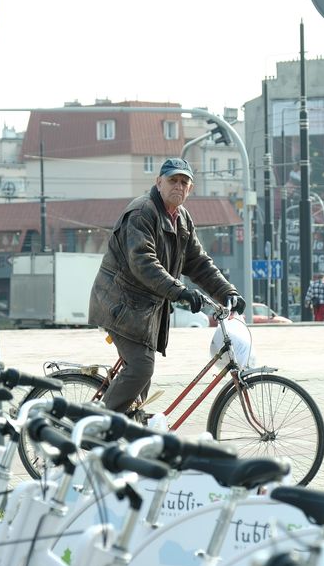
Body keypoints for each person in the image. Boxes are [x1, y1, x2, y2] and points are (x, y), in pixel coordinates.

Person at [89, 157, 245, 415]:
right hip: (119, 304)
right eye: (173, 180)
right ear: (158, 182)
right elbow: (143, 263)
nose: (179, 186)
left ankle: (125, 434)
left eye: (184, 182)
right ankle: (96, 428)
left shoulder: (182, 219)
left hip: (143, 311)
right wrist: (180, 292)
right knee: (141, 367)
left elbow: (199, 264)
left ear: (190, 189)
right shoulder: (142, 212)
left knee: (140, 385)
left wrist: (228, 291)